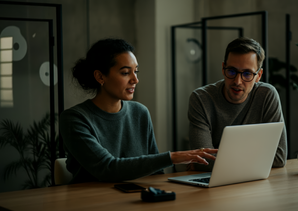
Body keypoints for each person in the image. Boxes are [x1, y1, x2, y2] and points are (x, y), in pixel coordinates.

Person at [60, 38, 218, 183]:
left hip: (137, 198)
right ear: (100, 77)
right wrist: (173, 157)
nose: (135, 80)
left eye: (136, 71)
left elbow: (156, 172)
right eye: (125, 73)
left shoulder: (140, 112)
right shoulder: (74, 119)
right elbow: (107, 168)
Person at [188, 37, 287, 171]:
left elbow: (279, 158)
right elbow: (205, 161)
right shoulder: (201, 99)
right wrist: (259, 156)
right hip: (214, 184)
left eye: (247, 74)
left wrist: (220, 159)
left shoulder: (266, 95)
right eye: (232, 71)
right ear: (223, 68)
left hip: (254, 181)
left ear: (259, 76)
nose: (238, 81)